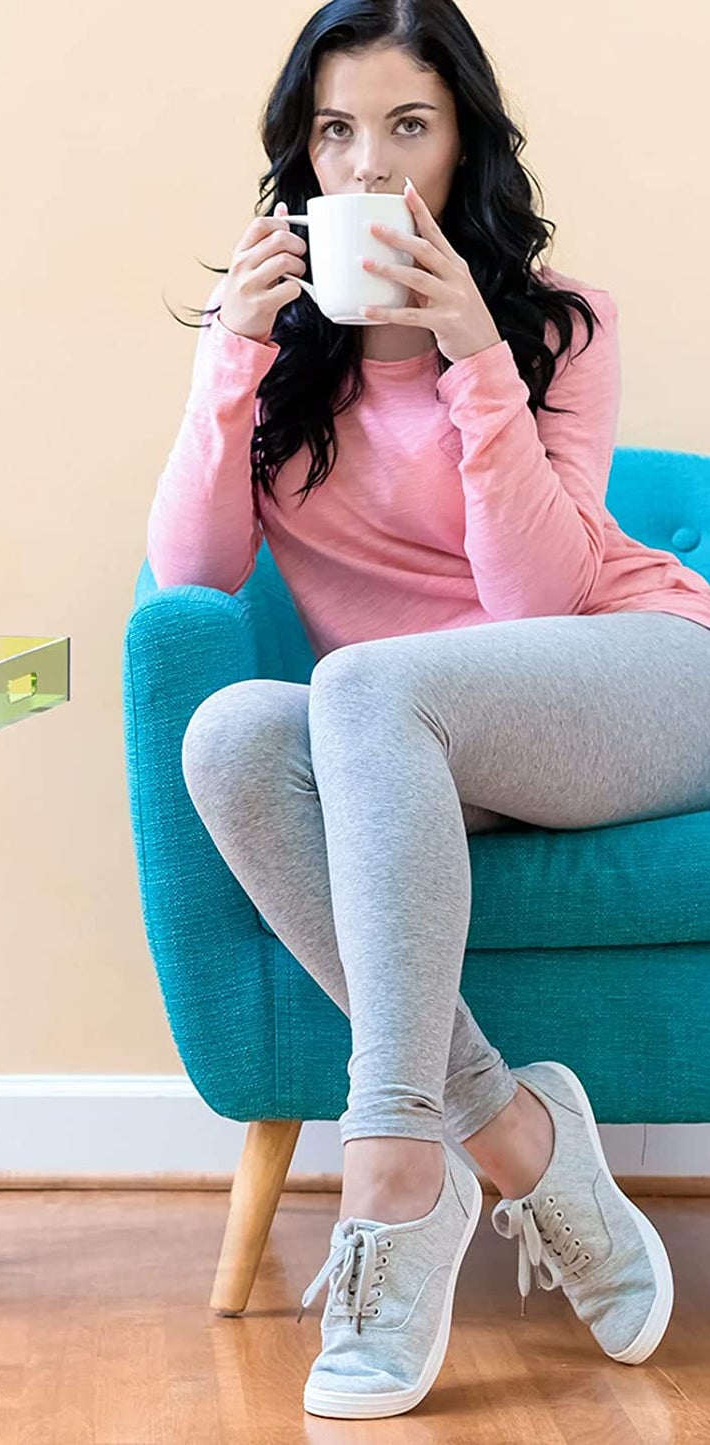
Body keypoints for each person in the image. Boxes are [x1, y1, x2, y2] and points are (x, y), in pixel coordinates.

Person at [147, 0, 705, 1422]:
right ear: (302, 159)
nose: (368, 165)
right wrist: (229, 354)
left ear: (460, 146)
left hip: (632, 676)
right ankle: (515, 1135)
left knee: (362, 686)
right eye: (336, 131)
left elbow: (534, 605)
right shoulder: (284, 361)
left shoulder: (554, 325)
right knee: (229, 733)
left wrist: (472, 354)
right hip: (395, 735)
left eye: (407, 126)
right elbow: (191, 580)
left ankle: (392, 1172)